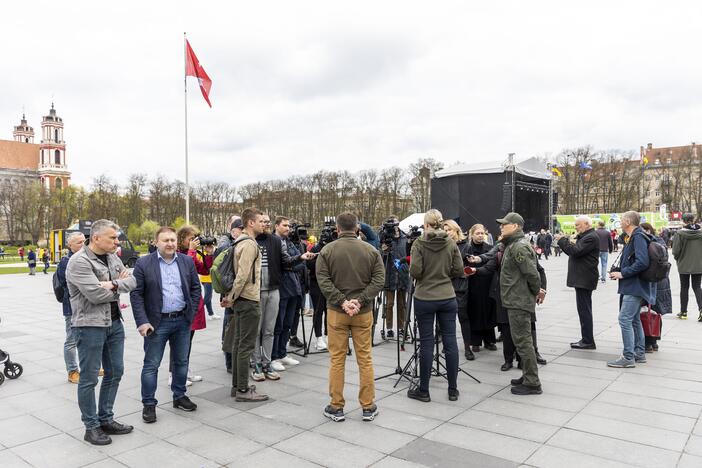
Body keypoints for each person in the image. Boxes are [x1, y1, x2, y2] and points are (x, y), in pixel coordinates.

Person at [66, 219, 137, 445]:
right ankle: (91, 426)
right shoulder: (79, 262)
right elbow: (95, 295)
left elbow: (133, 280)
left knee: (116, 371)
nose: (117, 242)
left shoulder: (113, 256)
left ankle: (106, 418)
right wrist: (117, 285)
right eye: (112, 238)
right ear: (96, 238)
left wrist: (110, 284)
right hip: (89, 326)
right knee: (88, 378)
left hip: (114, 323)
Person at [316, 211, 384, 422]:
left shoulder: (327, 250)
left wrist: (342, 301)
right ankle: (368, 406)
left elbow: (323, 279)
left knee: (337, 359)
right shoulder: (371, 250)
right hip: (362, 313)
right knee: (365, 359)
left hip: (337, 312)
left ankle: (336, 406)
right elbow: (379, 279)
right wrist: (360, 300)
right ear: (357, 228)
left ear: (337, 229)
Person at [130, 226, 201, 423]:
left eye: (172, 240)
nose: (170, 244)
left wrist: (191, 312)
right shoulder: (144, 263)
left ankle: (179, 396)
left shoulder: (186, 261)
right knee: (151, 365)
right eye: (165, 240)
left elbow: (195, 288)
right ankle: (149, 404)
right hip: (156, 323)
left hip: (182, 321)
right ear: (156, 242)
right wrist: (142, 321)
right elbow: (136, 294)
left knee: (181, 362)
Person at [407, 209, 463, 403]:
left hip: (424, 297)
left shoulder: (419, 243)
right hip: (447, 296)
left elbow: (415, 271)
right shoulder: (451, 243)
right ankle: (453, 389)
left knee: (427, 343)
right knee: (450, 342)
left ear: (427, 224)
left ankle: (424, 390)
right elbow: (458, 269)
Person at [221, 208, 268, 401]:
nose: (264, 224)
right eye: (260, 221)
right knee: (245, 346)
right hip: (248, 300)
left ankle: (237, 386)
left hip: (241, 299)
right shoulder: (249, 244)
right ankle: (242, 390)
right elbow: (242, 275)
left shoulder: (239, 241)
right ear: (250, 223)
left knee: (240, 344)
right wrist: (231, 297)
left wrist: (232, 297)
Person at [497, 212, 544, 395]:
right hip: (515, 299)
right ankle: (527, 375)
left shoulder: (518, 247)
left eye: (504, 224)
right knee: (521, 341)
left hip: (519, 301)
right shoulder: (512, 245)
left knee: (524, 342)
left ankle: (532, 382)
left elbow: (532, 275)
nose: (501, 227)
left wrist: (533, 293)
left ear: (515, 226)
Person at [608, 211, 656, 368]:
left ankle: (628, 357)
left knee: (624, 319)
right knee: (634, 319)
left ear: (628, 221)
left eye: (621, 220)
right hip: (634, 284)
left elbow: (642, 262)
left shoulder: (638, 237)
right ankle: (639, 353)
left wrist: (623, 273)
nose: (620, 222)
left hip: (634, 286)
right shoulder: (634, 236)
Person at [271, 217, 313, 370]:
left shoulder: (288, 241)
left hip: (294, 287)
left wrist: (293, 263)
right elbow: (283, 263)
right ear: (277, 226)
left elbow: (300, 264)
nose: (288, 228)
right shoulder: (273, 241)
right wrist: (293, 263)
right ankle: (274, 356)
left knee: (288, 323)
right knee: (278, 324)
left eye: (289, 225)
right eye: (284, 225)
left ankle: (282, 353)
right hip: (281, 288)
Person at [555, 216, 600, 350]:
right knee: (584, 309)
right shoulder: (587, 236)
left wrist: (562, 240)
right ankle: (586, 339)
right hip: (583, 278)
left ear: (586, 224)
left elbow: (574, 251)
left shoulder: (591, 237)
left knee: (584, 310)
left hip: (584, 278)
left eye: (578, 225)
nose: (576, 227)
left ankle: (588, 341)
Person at [170, 226, 208, 385]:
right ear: (182, 239)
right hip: (181, 303)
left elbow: (205, 270)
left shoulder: (191, 253)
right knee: (178, 341)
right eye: (191, 239)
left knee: (188, 339)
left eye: (195, 238)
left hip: (193, 302)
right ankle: (174, 374)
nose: (194, 241)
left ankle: (184, 369)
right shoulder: (176, 254)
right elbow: (185, 269)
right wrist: (192, 251)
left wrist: (209, 253)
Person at [57, 232, 86, 383]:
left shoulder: (88, 258)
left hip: (88, 306)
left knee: (88, 338)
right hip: (72, 307)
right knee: (71, 340)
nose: (83, 244)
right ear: (70, 245)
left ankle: (89, 367)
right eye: (79, 242)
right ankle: (72, 371)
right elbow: (66, 286)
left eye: (84, 241)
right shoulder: (65, 262)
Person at [442, 220, 473, 360]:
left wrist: (462, 272)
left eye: (449, 229)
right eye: (445, 230)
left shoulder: (466, 246)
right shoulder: (442, 245)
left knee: (463, 317)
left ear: (456, 230)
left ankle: (468, 348)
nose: (447, 232)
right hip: (444, 285)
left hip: (460, 286)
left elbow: (467, 269)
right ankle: (447, 345)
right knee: (446, 319)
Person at [465, 224, 497, 353]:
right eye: (477, 233)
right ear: (471, 234)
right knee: (475, 312)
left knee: (488, 312)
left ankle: (489, 340)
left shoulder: (490, 248)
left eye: (482, 233)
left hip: (488, 285)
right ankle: (475, 341)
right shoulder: (467, 249)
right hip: (472, 286)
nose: (480, 236)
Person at [641, 222, 672, 352]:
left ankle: (648, 342)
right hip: (662, 281)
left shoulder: (650, 244)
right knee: (656, 312)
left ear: (647, 230)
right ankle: (654, 341)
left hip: (652, 282)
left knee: (648, 311)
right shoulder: (661, 243)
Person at [219, 217, 243, 372]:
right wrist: (229, 294)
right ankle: (230, 363)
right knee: (230, 328)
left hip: (237, 293)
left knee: (236, 328)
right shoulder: (226, 245)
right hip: (230, 293)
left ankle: (235, 360)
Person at [380, 216, 410, 339]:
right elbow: (380, 256)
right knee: (389, 304)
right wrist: (384, 249)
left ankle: (401, 328)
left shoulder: (405, 237)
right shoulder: (385, 237)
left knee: (402, 304)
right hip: (389, 274)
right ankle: (389, 328)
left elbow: (409, 255)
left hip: (402, 273)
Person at [672, 213, 702, 321]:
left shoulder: (679, 233)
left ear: (684, 221)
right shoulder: (700, 233)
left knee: (684, 287)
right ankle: (701, 310)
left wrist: (678, 258)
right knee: (697, 287)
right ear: (693, 220)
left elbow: (675, 251)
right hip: (698, 264)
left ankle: (683, 312)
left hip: (684, 264)